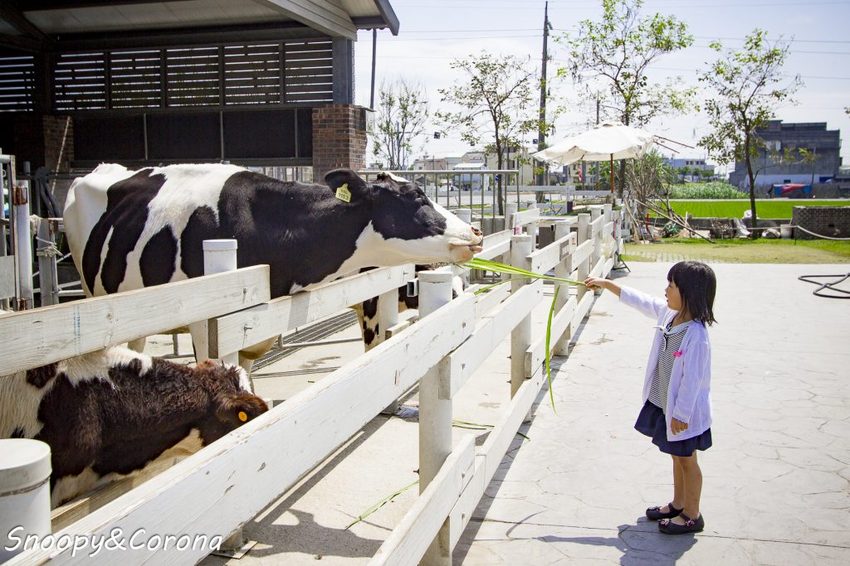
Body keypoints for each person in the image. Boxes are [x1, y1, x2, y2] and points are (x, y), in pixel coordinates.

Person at [585, 261, 717, 535]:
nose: (665, 290)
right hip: (664, 404)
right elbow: (641, 301)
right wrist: (607, 284)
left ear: (689, 293)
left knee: (687, 460)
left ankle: (693, 515)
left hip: (683, 414)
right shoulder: (668, 315)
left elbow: (693, 381)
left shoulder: (696, 335)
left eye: (671, 286)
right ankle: (679, 503)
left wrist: (682, 414)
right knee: (675, 456)